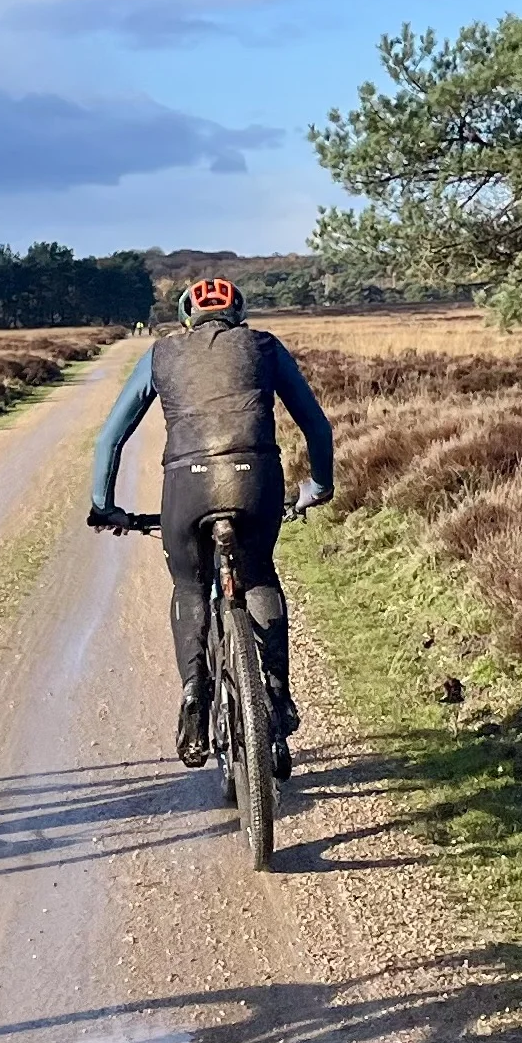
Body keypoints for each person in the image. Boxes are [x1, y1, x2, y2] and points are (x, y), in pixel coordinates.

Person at [85, 276, 335, 770]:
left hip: (187, 486)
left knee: (191, 585)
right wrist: (318, 488)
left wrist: (104, 504)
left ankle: (194, 697)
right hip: (255, 477)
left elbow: (110, 439)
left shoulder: (161, 354)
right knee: (258, 573)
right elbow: (317, 425)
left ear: (186, 317)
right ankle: (278, 697)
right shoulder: (263, 345)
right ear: (237, 315)